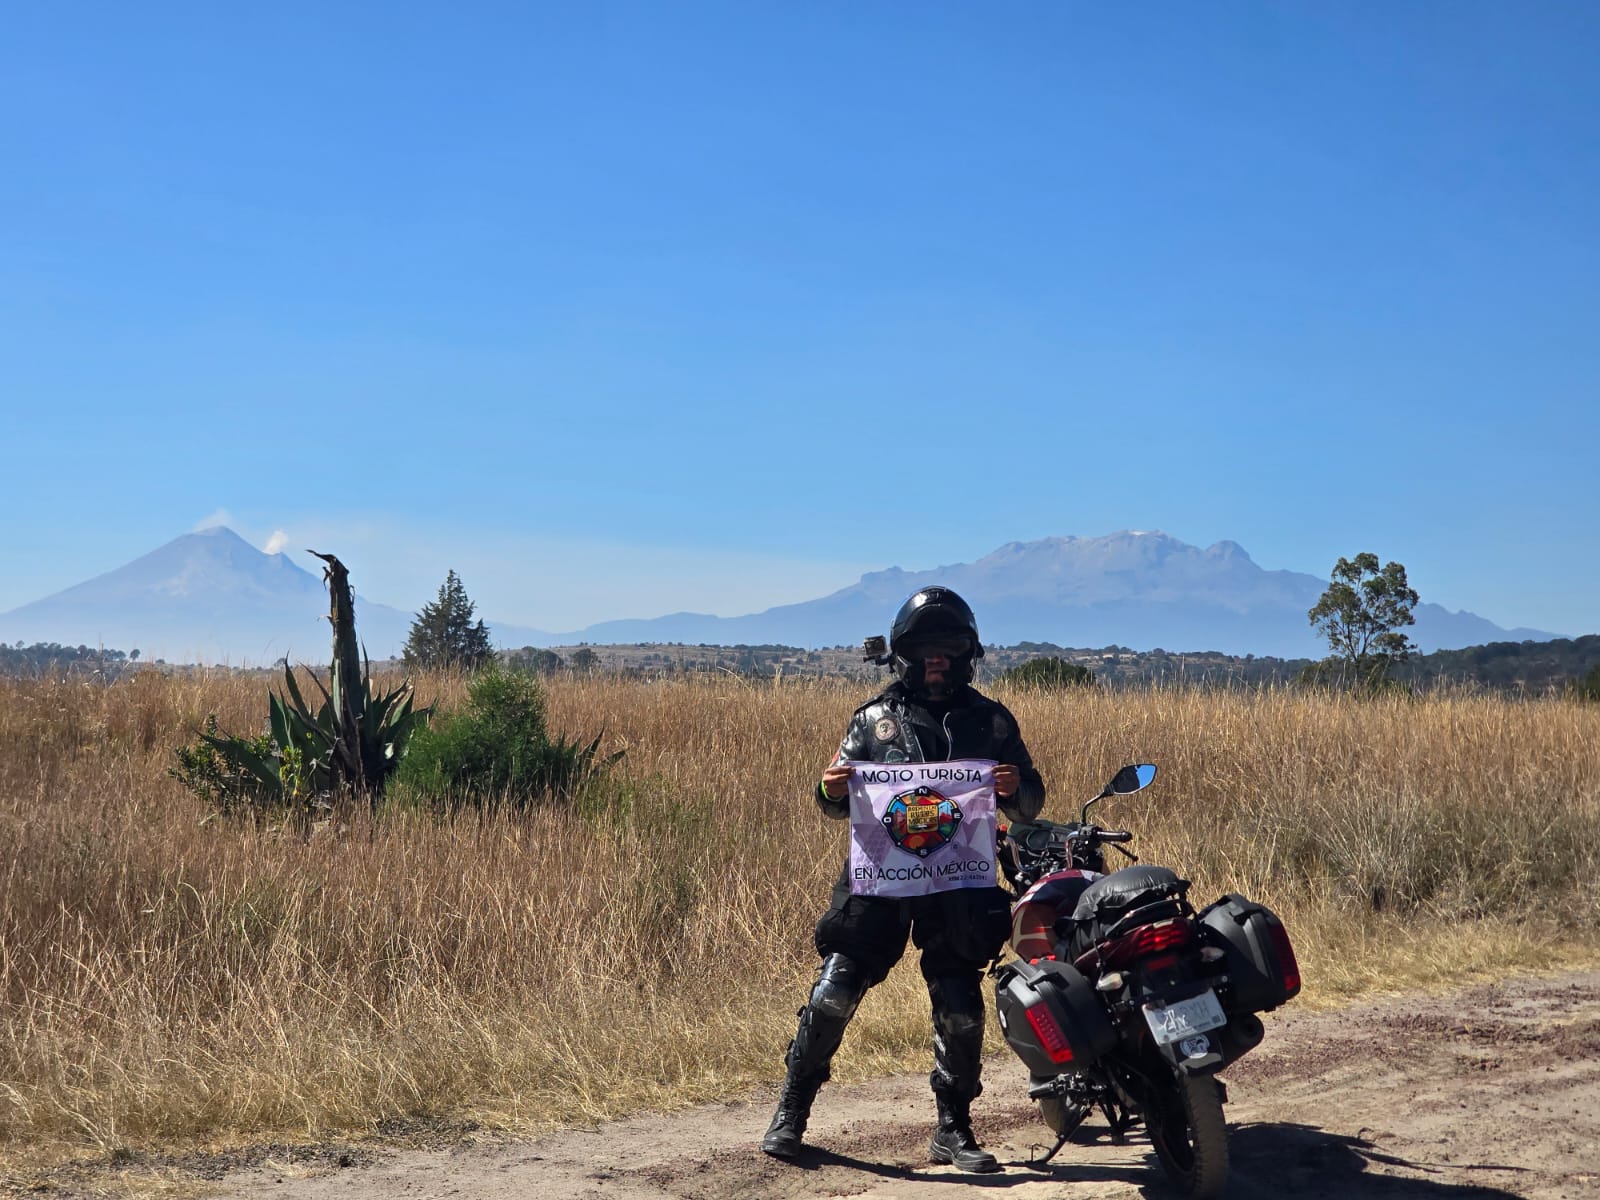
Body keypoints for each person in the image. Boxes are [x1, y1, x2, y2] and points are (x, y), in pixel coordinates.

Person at [760, 586, 1046, 1172]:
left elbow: (1031, 806)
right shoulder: (872, 719)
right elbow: (835, 803)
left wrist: (1018, 791)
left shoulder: (992, 722)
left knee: (960, 1006)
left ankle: (954, 1128)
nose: (935, 659)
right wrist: (828, 788)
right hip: (881, 882)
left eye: (947, 647)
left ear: (968, 651)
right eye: (923, 648)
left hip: (958, 886)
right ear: (902, 653)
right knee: (835, 990)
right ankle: (791, 1108)